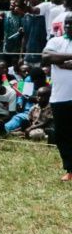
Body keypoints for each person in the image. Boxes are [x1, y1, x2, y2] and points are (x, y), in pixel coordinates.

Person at [43, 13, 72, 181]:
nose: (68, 26)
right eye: (66, 23)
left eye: (71, 24)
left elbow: (55, 59)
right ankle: (70, 169)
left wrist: (59, 61)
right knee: (63, 135)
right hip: (60, 97)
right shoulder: (55, 41)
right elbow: (46, 57)